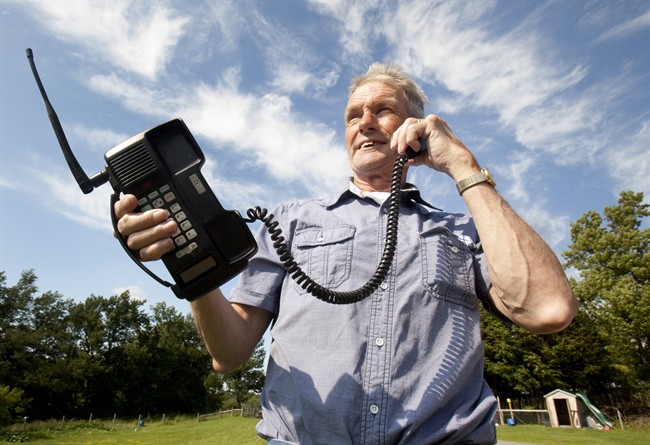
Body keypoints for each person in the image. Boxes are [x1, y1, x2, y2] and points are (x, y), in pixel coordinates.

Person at [115, 63, 578, 444]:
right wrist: (190, 264)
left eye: (383, 110)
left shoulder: (463, 228)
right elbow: (229, 353)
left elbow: (549, 309)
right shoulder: (288, 221)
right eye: (353, 114)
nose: (365, 122)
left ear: (415, 127)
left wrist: (463, 165)